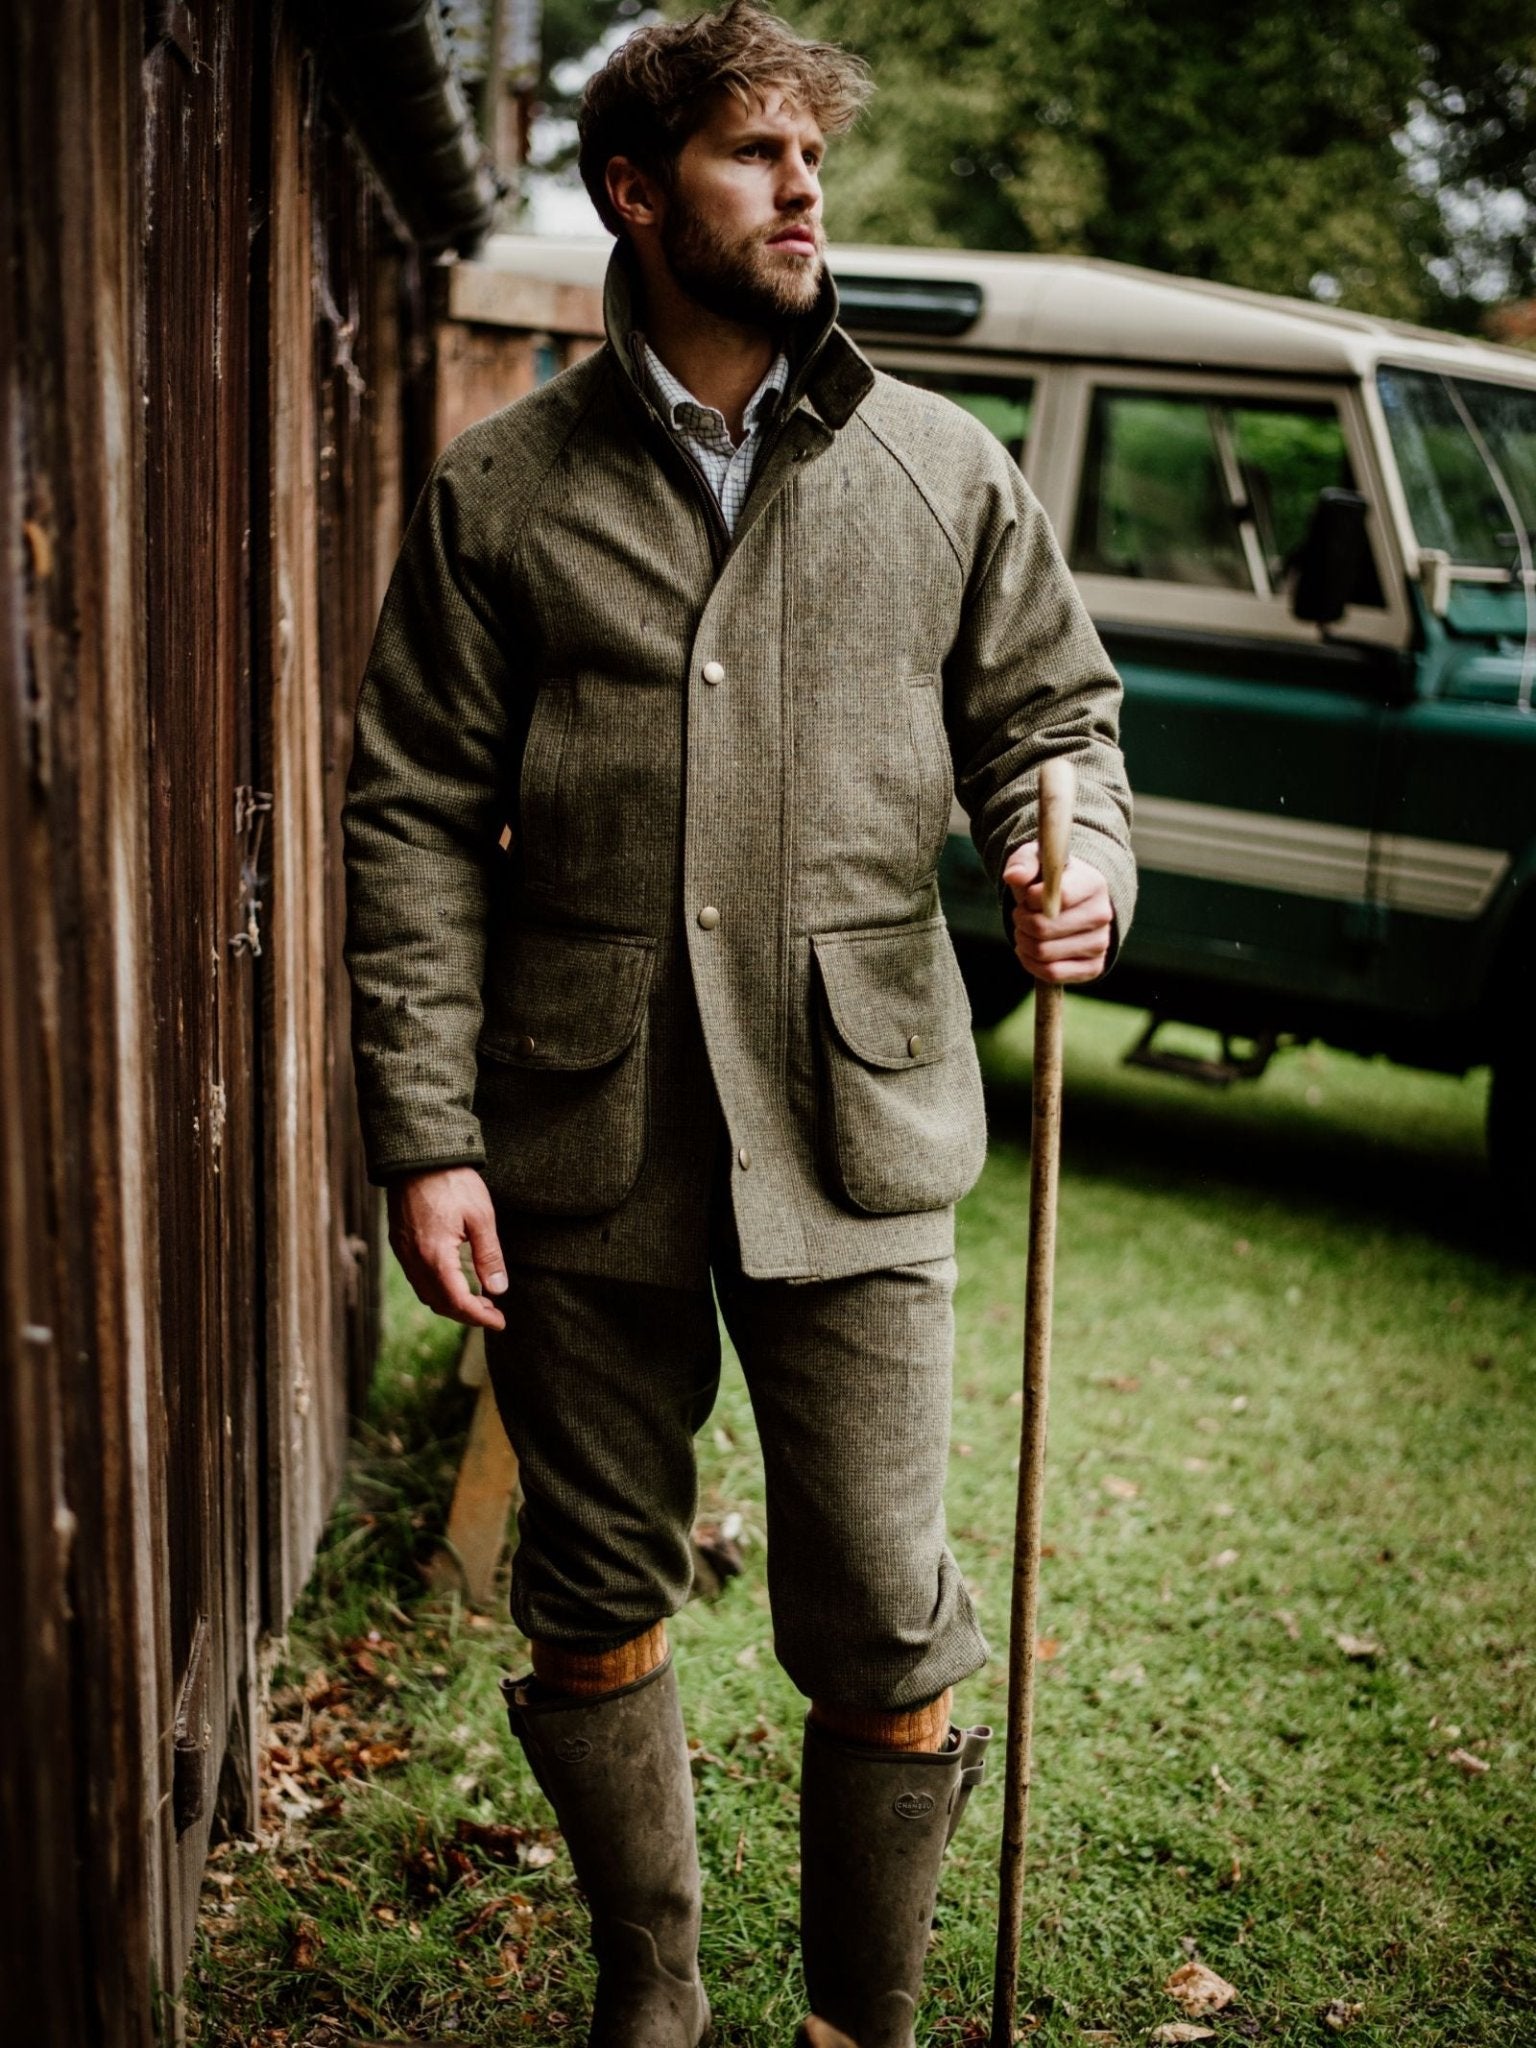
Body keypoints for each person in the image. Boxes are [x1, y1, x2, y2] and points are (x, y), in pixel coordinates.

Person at [342, 5, 1135, 2042]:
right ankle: (656, 1993)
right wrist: (426, 1134)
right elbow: (414, 807)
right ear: (633, 193)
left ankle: (858, 2022)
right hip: (575, 1133)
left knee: (880, 1606)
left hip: (857, 1118)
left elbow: (1056, 721)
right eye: (754, 156)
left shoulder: (941, 473)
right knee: (590, 1587)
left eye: (812, 157)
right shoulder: (502, 493)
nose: (804, 190)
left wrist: (1083, 851)